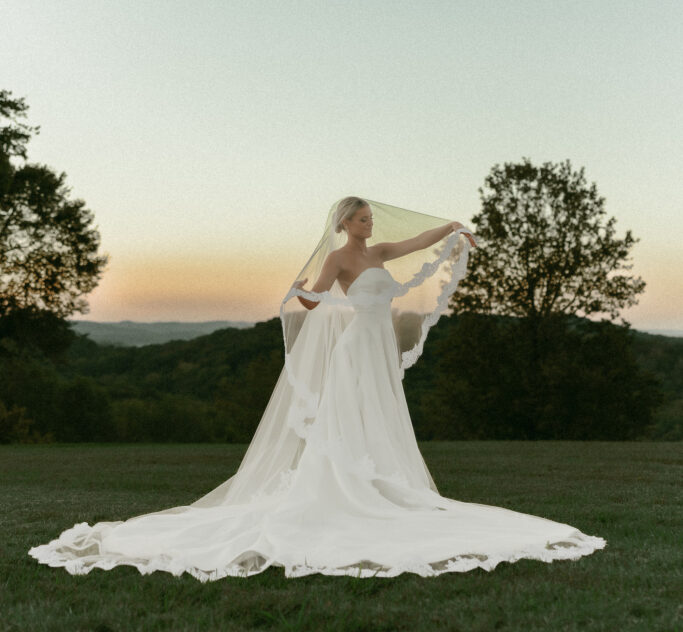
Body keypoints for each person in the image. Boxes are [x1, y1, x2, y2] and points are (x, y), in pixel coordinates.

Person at [28, 196, 606, 580]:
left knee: (379, 417)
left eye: (371, 218)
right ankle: (342, 488)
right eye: (362, 219)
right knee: (347, 417)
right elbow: (311, 302)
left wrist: (453, 226)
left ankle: (378, 483)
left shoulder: (379, 252)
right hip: (356, 347)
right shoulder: (339, 258)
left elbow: (418, 242)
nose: (370, 225)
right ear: (344, 223)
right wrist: (302, 291)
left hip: (377, 349)